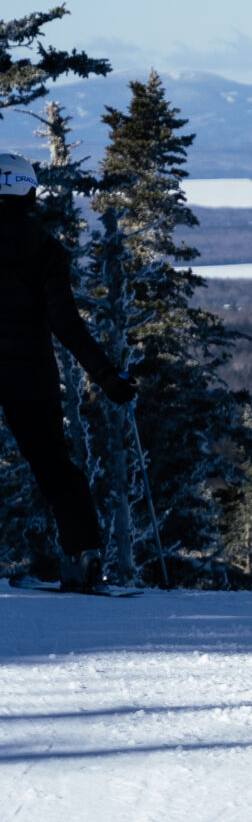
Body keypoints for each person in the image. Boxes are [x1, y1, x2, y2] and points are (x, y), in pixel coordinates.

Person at [0, 152, 132, 593]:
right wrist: (107, 377)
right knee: (56, 471)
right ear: (27, 192)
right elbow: (67, 324)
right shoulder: (45, 249)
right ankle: (83, 561)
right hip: (30, 378)